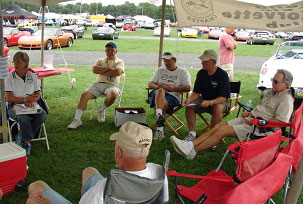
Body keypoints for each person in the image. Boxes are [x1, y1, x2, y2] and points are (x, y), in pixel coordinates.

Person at [26, 121, 169, 204]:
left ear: (118, 153)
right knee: (90, 171)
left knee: (36, 186)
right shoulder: (159, 173)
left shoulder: (103, 191)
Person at [171, 69, 294, 160]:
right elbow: (264, 110)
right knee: (217, 127)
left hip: (261, 129)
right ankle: (189, 145)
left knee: (221, 131)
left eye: (276, 81)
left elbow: (280, 123)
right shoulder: (271, 92)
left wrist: (255, 121)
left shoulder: (286, 100)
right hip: (250, 119)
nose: (273, 83)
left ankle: (192, 151)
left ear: (286, 85)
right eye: (273, 80)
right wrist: (250, 113)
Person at [68, 42, 124, 129]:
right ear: (105, 51)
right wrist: (110, 69)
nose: (109, 52)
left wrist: (102, 70)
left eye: (112, 50)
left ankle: (101, 109)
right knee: (84, 95)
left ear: (116, 51)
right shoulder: (101, 60)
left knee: (113, 94)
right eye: (107, 50)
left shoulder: (119, 61)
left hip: (112, 85)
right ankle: (77, 119)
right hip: (98, 84)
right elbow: (94, 70)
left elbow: (118, 72)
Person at [5, 51, 47, 156]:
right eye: (14, 61)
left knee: (42, 115)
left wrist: (32, 100)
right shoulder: (9, 77)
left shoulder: (32, 76)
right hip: (13, 106)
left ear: (26, 63)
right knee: (24, 119)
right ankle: (27, 143)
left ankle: (22, 137)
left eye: (19, 61)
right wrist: (25, 100)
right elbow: (9, 98)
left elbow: (37, 93)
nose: (16, 64)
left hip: (30, 105)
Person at [182, 49, 230, 142]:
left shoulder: (222, 75)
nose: (202, 63)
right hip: (204, 100)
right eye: (202, 60)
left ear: (214, 62)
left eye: (205, 61)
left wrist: (211, 102)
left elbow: (223, 97)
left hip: (220, 101)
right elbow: (196, 92)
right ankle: (192, 134)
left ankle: (212, 137)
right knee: (189, 106)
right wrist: (189, 100)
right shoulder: (201, 73)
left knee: (218, 107)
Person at [148, 52, 191, 140]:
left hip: (173, 96)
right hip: (157, 94)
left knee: (161, 101)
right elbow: (150, 83)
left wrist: (173, 88)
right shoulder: (160, 70)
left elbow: (188, 87)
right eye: (164, 61)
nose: (166, 63)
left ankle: (159, 125)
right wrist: (158, 86)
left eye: (168, 61)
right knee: (160, 91)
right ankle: (160, 119)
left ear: (174, 60)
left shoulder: (183, 72)